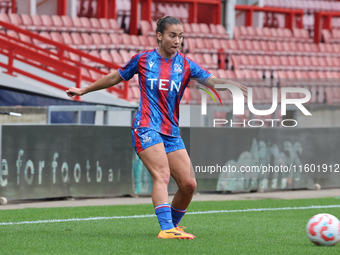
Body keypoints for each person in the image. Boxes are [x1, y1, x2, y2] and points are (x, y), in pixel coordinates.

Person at [66, 16, 247, 239]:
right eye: (173, 35)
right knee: (162, 174)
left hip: (171, 131)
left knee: (189, 183)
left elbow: (211, 80)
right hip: (146, 127)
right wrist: (85, 90)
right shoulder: (143, 60)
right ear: (159, 35)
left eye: (181, 36)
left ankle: (172, 225)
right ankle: (166, 229)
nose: (177, 40)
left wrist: (230, 86)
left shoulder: (186, 64)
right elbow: (116, 76)